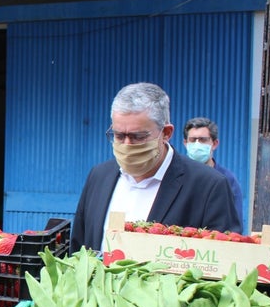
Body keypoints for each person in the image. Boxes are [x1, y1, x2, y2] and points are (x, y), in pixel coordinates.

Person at [70, 82, 243, 254]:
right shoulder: (99, 177)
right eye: (119, 135)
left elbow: (224, 261)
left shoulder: (209, 186)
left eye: (138, 136)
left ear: (166, 133)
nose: (127, 145)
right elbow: (78, 250)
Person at [183, 117, 243, 223]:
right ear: (185, 143)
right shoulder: (177, 176)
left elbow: (234, 224)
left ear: (214, 144)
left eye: (203, 140)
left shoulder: (227, 180)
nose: (197, 145)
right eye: (192, 140)